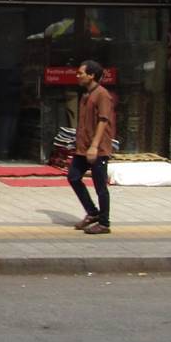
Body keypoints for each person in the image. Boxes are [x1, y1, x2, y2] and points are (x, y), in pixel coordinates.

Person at [70, 59, 115, 235]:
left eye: (81, 73)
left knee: (100, 187)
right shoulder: (86, 94)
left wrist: (94, 146)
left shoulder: (102, 94)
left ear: (91, 75)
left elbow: (103, 120)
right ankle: (93, 212)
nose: (78, 76)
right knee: (73, 177)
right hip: (83, 148)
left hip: (97, 149)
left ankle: (104, 223)